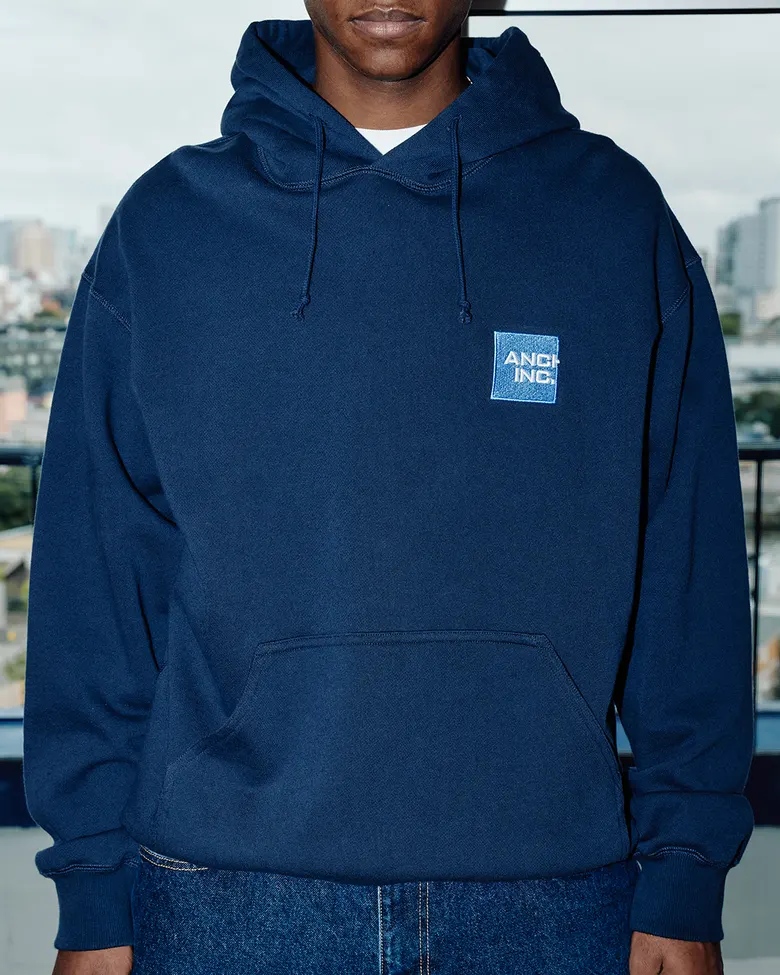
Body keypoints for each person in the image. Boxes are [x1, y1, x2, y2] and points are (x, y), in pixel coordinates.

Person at [22, 3, 755, 974]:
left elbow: (688, 570)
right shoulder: (168, 231)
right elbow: (95, 587)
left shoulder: (615, 221)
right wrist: (92, 892)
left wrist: (686, 872)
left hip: (552, 899)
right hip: (225, 902)